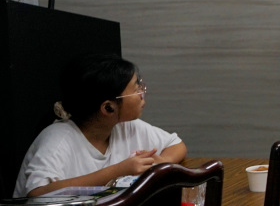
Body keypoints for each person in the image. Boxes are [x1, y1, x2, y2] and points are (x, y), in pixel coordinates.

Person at [14, 54, 187, 198]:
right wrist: (118, 171)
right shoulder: (58, 140)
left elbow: (176, 145)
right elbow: (37, 194)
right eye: (136, 88)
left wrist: (162, 163)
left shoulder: (126, 126)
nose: (142, 93)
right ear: (108, 108)